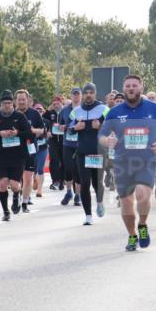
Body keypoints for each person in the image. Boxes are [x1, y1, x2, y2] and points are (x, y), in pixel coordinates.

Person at [99, 75, 156, 250]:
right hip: (122, 163)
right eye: (128, 86)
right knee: (127, 202)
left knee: (142, 194)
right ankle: (131, 235)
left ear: (141, 88)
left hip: (146, 161)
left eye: (134, 86)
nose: (131, 88)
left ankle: (142, 224)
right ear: (123, 89)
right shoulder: (115, 112)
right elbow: (102, 135)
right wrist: (107, 141)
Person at [0, 90, 32, 221]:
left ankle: (17, 195)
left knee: (15, 185)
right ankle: (6, 211)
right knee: (3, 184)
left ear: (13, 104)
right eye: (5, 103)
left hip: (18, 155)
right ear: (1, 104)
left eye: (9, 103)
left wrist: (17, 133)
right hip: (1, 155)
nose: (7, 106)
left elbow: (29, 133)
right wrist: (0, 134)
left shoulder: (20, 117)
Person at [69, 82, 106, 225]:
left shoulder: (104, 109)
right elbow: (69, 129)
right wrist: (75, 128)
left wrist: (101, 126)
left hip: (98, 152)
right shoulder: (76, 111)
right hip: (82, 152)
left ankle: (100, 201)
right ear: (83, 95)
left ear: (95, 93)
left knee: (97, 183)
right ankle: (88, 216)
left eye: (91, 92)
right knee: (85, 183)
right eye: (86, 93)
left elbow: (113, 128)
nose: (88, 95)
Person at [14, 89, 46, 213]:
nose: (21, 102)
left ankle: (25, 203)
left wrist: (33, 130)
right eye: (19, 99)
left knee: (27, 177)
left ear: (28, 100)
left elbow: (42, 131)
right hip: (14, 150)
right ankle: (17, 197)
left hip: (30, 148)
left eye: (23, 99)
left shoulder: (34, 114)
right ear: (15, 101)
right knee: (16, 179)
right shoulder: (11, 114)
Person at [59, 88, 83, 206]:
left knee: (78, 169)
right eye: (74, 94)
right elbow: (60, 125)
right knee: (68, 168)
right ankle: (69, 192)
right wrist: (62, 127)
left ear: (81, 96)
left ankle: (78, 195)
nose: (76, 96)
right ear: (71, 96)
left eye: (78, 94)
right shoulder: (64, 110)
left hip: (80, 143)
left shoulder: (84, 109)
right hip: (67, 143)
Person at [45, 96, 65, 190]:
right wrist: (47, 131)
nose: (56, 105)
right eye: (54, 104)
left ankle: (62, 180)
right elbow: (42, 119)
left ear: (62, 103)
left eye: (57, 103)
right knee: (54, 159)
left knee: (63, 160)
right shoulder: (50, 113)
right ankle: (55, 181)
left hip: (63, 140)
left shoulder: (65, 112)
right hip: (53, 140)